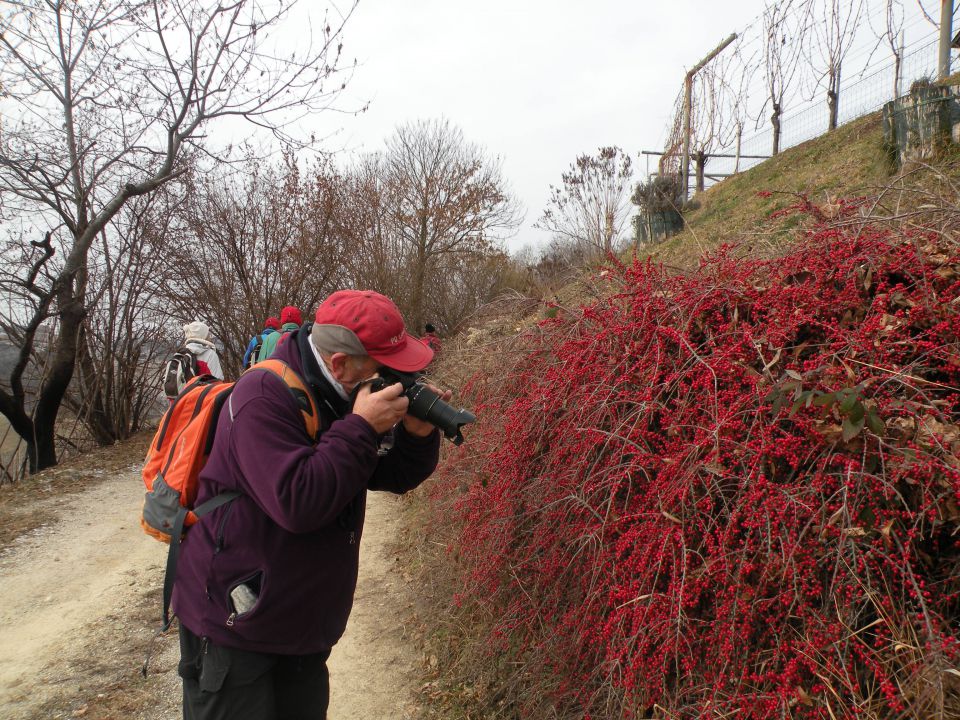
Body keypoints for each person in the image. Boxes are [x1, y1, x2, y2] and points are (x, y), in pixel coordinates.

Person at [172, 289, 447, 719]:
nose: (391, 382)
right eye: (383, 370)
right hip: (237, 625)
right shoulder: (263, 396)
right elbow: (298, 502)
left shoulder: (338, 391)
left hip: (300, 625)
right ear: (340, 363)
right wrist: (360, 426)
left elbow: (389, 475)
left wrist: (417, 433)